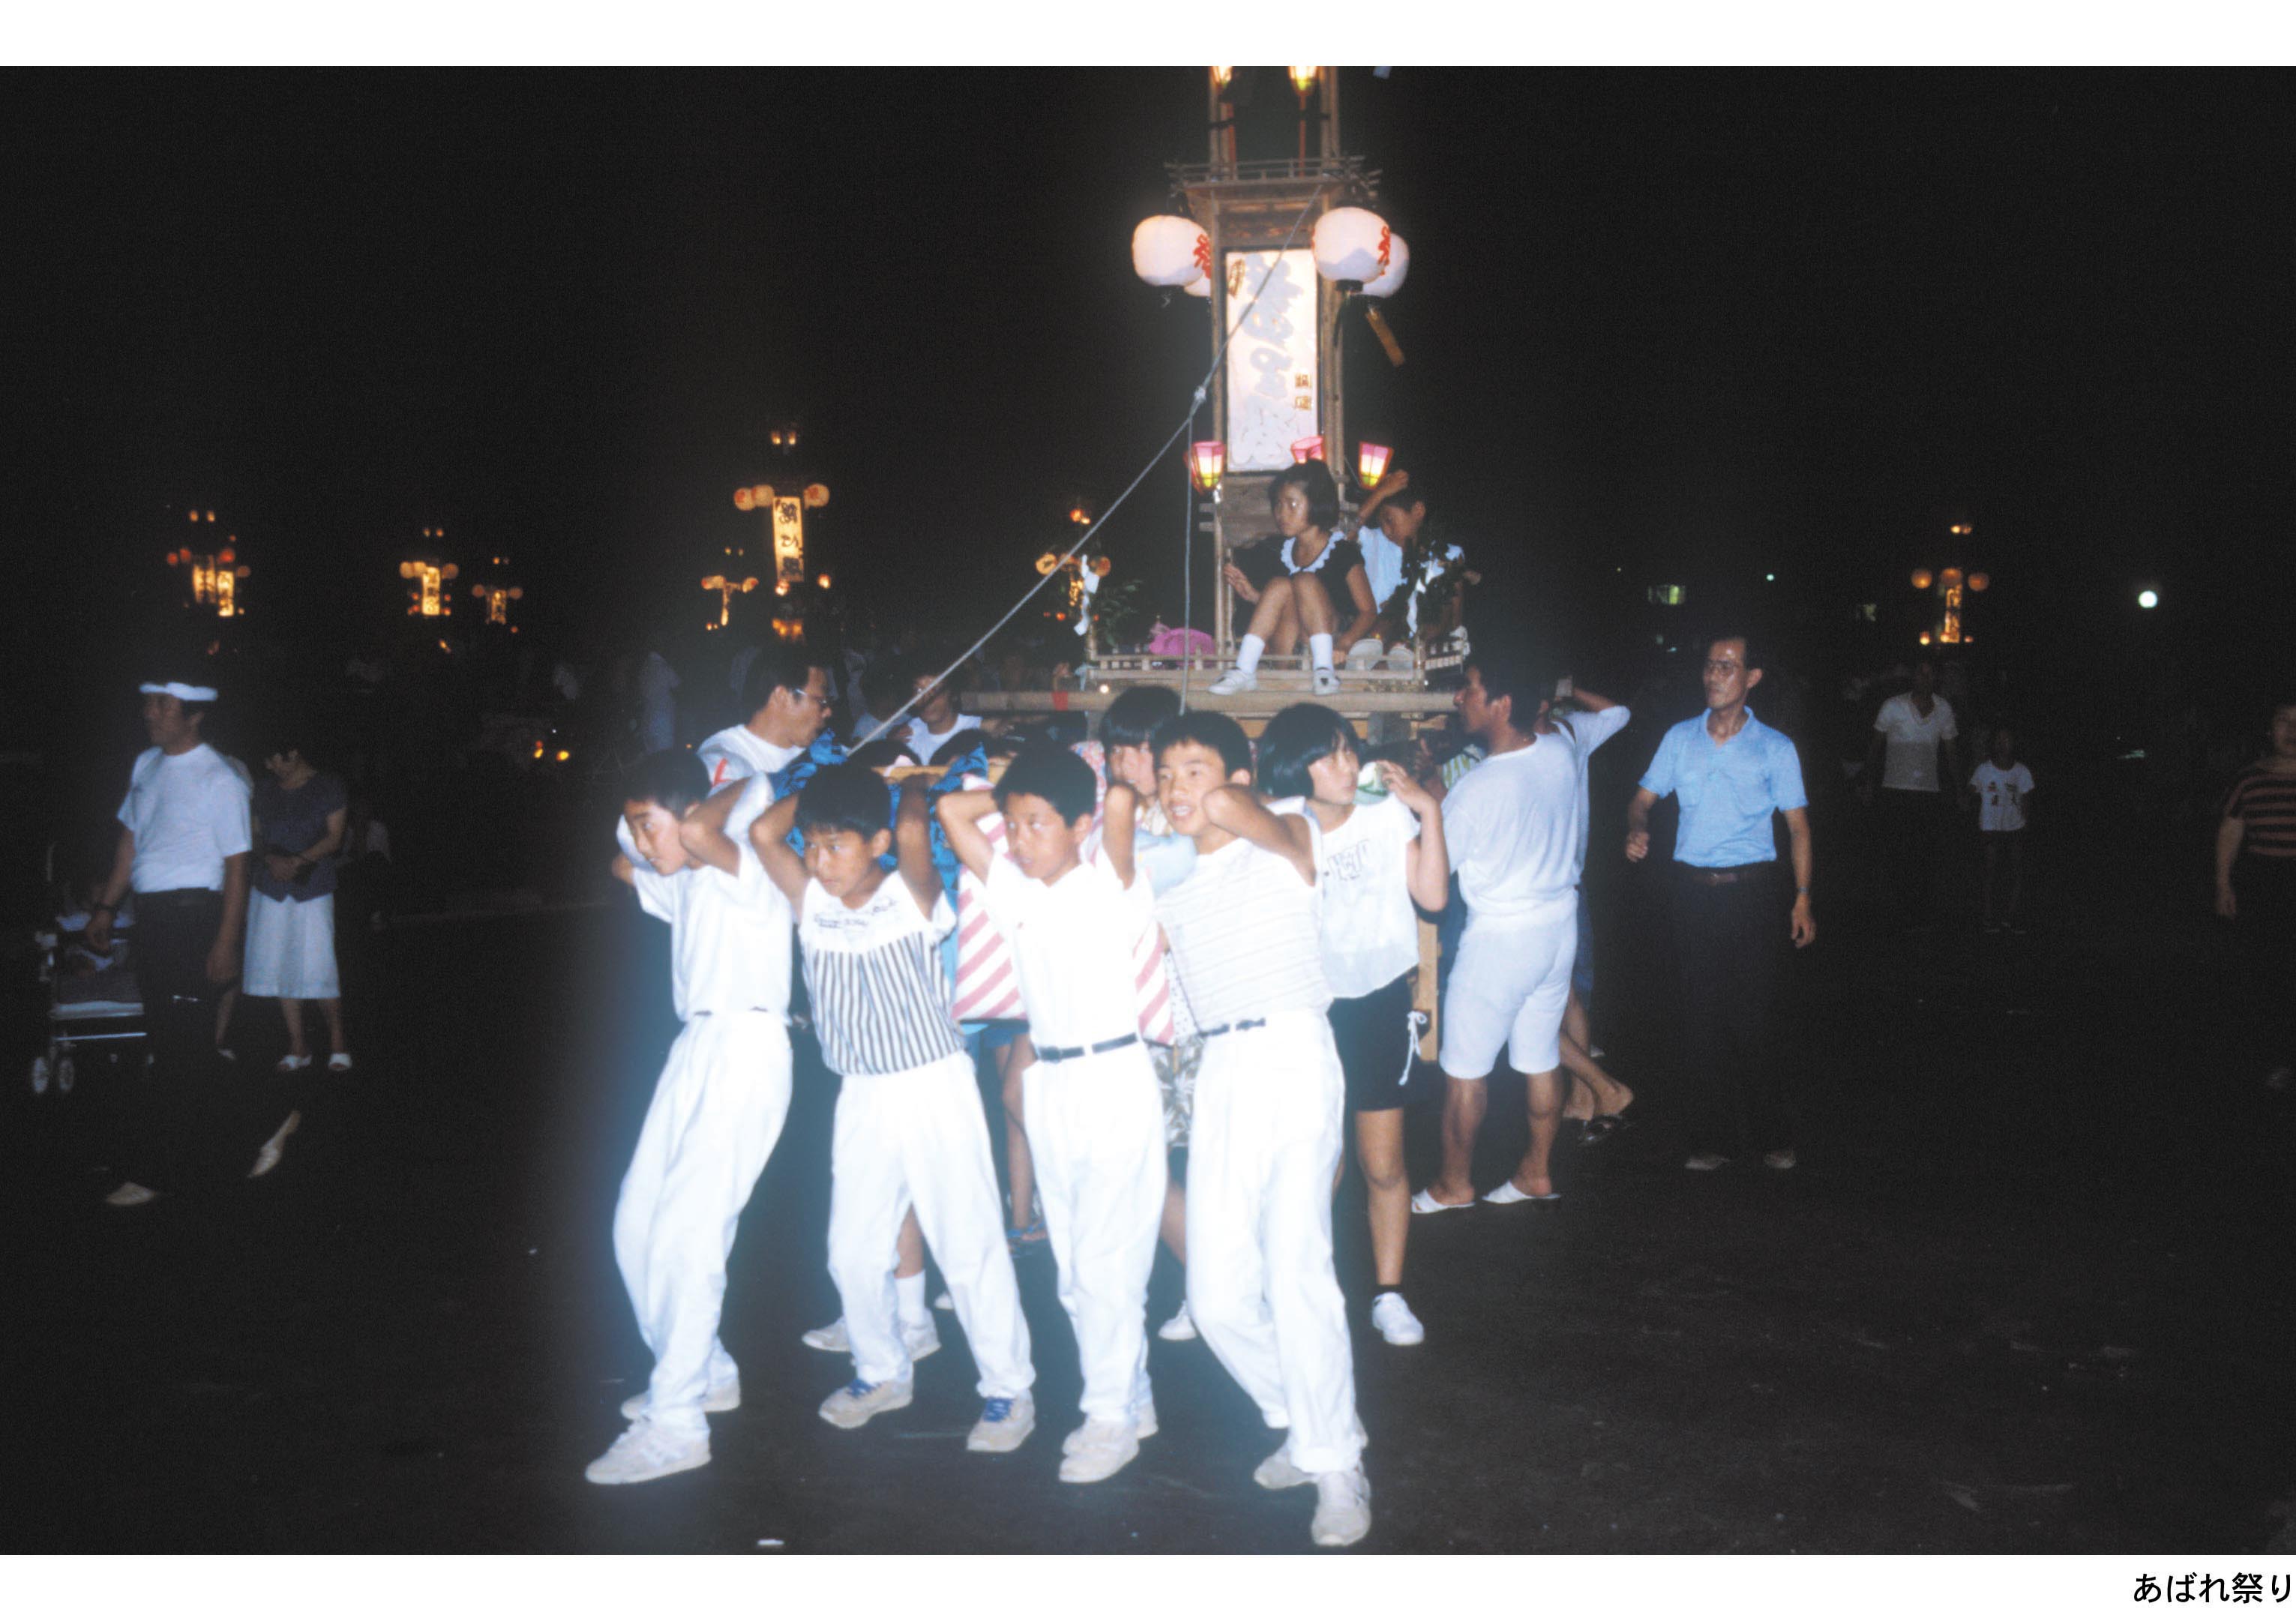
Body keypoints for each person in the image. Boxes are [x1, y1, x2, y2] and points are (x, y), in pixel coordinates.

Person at [748, 769, 1037, 1453]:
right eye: (812, 846)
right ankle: (881, 1372)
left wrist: (903, 784)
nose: (820, 861)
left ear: (875, 841)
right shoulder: (811, 901)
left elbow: (912, 828)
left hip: (933, 1085)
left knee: (967, 1244)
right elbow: (765, 831)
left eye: (836, 845)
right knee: (851, 1252)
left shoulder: (912, 895)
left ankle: (1007, 1388)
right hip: (863, 1095)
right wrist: (833, 784)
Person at [1149, 710, 1371, 1548]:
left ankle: (1334, 1463)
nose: (1178, 789)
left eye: (1194, 769)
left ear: (1235, 773)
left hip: (1290, 1050)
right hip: (1224, 1071)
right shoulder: (1170, 883)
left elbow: (1247, 815)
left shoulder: (1284, 837)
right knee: (1213, 1294)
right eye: (1166, 773)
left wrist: (1212, 796)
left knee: (1296, 1265)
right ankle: (1312, 1418)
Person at [938, 748, 1168, 1485]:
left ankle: (1107, 1416)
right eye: (1013, 825)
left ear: (1079, 824)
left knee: (1105, 1262)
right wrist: (1002, 786)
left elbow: (1125, 803)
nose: (1020, 837)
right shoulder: (1017, 893)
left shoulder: (1111, 886)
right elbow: (949, 812)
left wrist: (1084, 779)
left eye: (1039, 823)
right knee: (1074, 1266)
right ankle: (1129, 1392)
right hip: (1051, 1083)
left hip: (1112, 1075)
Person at [586, 750, 796, 1485]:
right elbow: (623, 864)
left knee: (687, 1229)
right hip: (695, 1045)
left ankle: (677, 1424)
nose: (641, 843)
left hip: (748, 1042)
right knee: (635, 1223)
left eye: (649, 826)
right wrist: (652, 826)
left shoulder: (743, 868)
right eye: (637, 828)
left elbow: (706, 830)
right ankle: (701, 1366)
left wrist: (727, 775)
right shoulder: (684, 883)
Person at [1257, 704, 1446, 1346]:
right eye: (1327, 754)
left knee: (1384, 1164)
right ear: (1294, 766)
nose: (1346, 764)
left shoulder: (1385, 815)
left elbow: (1435, 898)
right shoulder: (1282, 829)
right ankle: (1300, 1287)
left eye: (1348, 750)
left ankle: (1389, 1294)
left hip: (1379, 1006)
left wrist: (1429, 809)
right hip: (1309, 1010)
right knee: (1315, 1162)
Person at [1414, 651, 1629, 1212]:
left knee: (1464, 1074)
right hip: (1557, 927)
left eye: (1472, 689)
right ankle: (1535, 1173)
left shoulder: (1480, 788)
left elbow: (1430, 876)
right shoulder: (1559, 750)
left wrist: (1414, 801)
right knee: (1538, 1058)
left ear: (1502, 704)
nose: (1461, 698)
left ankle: (1454, 1185)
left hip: (1500, 942)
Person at [85, 675, 298, 1208]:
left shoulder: (220, 779)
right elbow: (130, 842)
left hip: (195, 918)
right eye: (148, 702)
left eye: (163, 704)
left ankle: (153, 1170)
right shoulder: (146, 765)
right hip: (153, 917)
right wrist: (108, 906)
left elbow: (236, 866)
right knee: (174, 1049)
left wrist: (226, 941)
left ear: (196, 714)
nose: (150, 712)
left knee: (184, 1052)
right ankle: (270, 1118)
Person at [1626, 634, 1817, 1172]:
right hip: (1690, 893)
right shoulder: (1680, 738)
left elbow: (1798, 828)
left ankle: (1773, 1134)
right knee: (1699, 1018)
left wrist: (1802, 898)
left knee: (1755, 1020)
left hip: (1752, 894)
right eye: (1709, 665)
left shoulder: (1775, 748)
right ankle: (1712, 1139)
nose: (1714, 675)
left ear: (1752, 677)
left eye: (1728, 667)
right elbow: (1641, 801)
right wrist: (1636, 829)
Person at [1209, 460, 1377, 698]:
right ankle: (1244, 669)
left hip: (1331, 651)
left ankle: (1324, 670)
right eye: (1278, 504)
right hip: (1289, 652)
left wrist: (1345, 644)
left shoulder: (1342, 551)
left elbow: (1369, 611)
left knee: (1305, 581)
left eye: (1292, 504)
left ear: (1317, 504)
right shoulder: (1280, 550)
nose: (1282, 513)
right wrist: (1255, 596)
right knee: (1280, 585)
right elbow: (1285, 605)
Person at [245, 736, 352, 1072]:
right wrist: (272, 859)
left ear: (294, 753)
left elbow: (334, 838)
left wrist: (298, 861)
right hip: (271, 887)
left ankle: (337, 1041)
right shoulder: (264, 790)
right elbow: (255, 835)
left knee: (320, 965)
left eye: (275, 760)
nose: (270, 767)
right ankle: (298, 1045)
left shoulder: (328, 786)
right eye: (267, 763)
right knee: (281, 965)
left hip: (313, 887)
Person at [2213, 693, 2296, 1090]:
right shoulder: (2249, 777)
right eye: (2284, 721)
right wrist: (2223, 883)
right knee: (2270, 974)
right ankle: (2276, 1060)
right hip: (2265, 881)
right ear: (2270, 729)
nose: (2292, 730)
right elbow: (2231, 829)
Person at [1861, 658, 1964, 928]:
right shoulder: (1893, 706)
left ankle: (1920, 910)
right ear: (1914, 677)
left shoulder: (1943, 710)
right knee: (1897, 851)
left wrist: (1959, 788)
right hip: (1896, 790)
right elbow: (1875, 748)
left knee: (1925, 852)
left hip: (1927, 792)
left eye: (1931, 674)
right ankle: (1896, 910)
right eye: (1921, 673)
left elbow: (1952, 754)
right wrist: (1870, 783)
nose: (1925, 678)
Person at [1353, 469, 1467, 665]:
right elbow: (1344, 535)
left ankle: (1408, 647)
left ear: (1418, 511)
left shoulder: (1448, 554)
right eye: (1381, 523)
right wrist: (1379, 494)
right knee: (1397, 604)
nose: (1386, 530)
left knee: (1445, 581)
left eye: (1390, 520)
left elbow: (1453, 614)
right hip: (1377, 635)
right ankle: (1377, 650)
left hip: (1424, 644)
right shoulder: (1374, 540)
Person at [1971, 725, 2036, 933]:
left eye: (2007, 740)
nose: (2003, 744)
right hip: (1990, 828)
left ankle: (2010, 917)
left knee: (2016, 873)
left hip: (2014, 827)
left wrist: (2025, 823)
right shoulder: (1984, 769)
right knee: (1990, 872)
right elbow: (1971, 791)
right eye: (1999, 740)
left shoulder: (2021, 771)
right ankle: (1988, 918)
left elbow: (2027, 798)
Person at [904, 658, 983, 764]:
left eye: (936, 690)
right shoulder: (908, 734)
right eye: (918, 690)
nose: (926, 699)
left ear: (953, 694)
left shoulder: (977, 727)